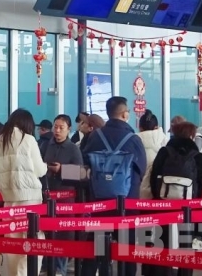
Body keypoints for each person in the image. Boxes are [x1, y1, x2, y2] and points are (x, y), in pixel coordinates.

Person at [81, 97, 146, 276]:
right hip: (127, 204)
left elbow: (84, 166)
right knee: (126, 250)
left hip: (100, 203)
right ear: (125, 114)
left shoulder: (95, 136)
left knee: (97, 247)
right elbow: (141, 169)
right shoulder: (133, 139)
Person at [0, 109, 47, 276]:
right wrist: (46, 166)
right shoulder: (27, 139)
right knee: (32, 241)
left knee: (12, 242)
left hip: (8, 200)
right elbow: (39, 169)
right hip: (29, 200)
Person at [145, 121, 202, 276]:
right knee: (186, 241)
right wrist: (194, 199)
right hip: (188, 206)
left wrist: (158, 197)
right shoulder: (197, 156)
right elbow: (201, 182)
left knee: (162, 239)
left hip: (164, 202)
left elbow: (154, 176)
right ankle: (185, 272)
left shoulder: (164, 152)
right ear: (191, 136)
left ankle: (161, 272)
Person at [43, 114, 83, 276]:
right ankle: (46, 267)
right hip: (47, 197)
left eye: (61, 128)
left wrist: (61, 170)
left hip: (66, 198)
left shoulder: (73, 149)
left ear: (69, 129)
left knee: (63, 234)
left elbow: (81, 173)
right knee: (47, 233)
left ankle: (60, 269)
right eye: (55, 127)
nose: (57, 131)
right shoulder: (45, 145)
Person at [137, 110, 168, 199]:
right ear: (156, 127)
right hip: (160, 194)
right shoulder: (166, 143)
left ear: (140, 128)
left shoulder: (133, 143)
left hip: (136, 197)